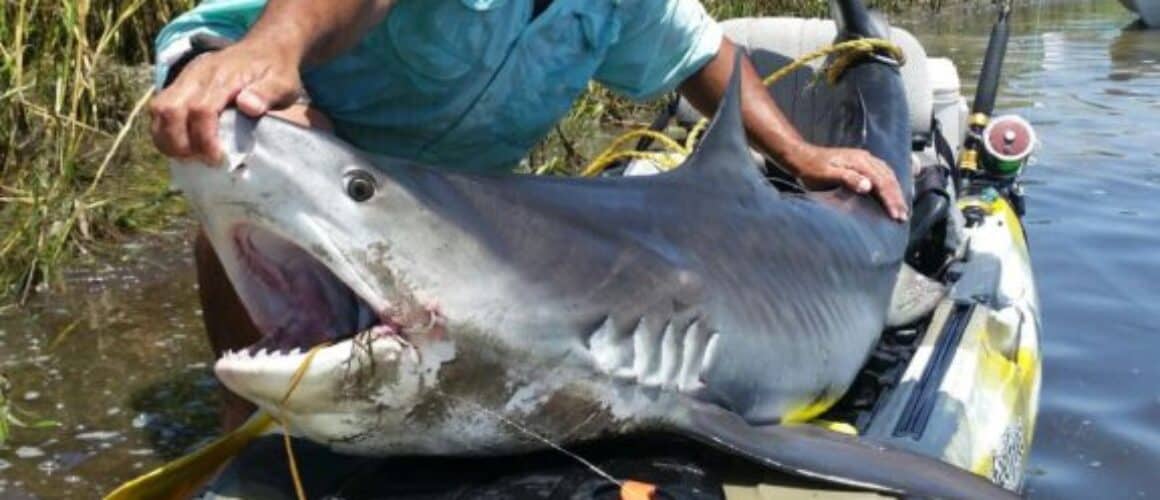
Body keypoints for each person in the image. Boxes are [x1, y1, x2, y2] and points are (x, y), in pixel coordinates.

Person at [151, 0, 908, 430]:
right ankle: (247, 436)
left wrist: (802, 154)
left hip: (466, 205)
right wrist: (274, 45)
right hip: (338, 154)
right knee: (261, 206)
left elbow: (699, 55)